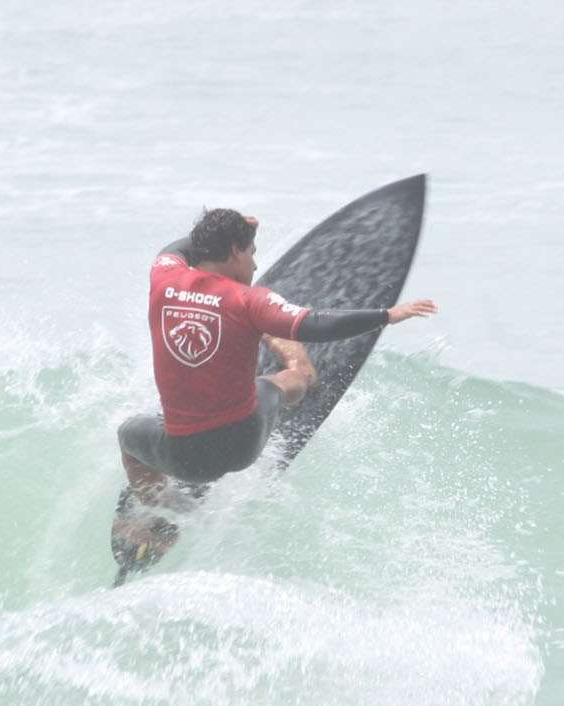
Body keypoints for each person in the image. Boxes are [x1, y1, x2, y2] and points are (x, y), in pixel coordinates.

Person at [112, 208, 436, 579]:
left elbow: (176, 248)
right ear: (235, 251)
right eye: (251, 252)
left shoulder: (163, 276)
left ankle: (165, 503)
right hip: (243, 441)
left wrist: (216, 237)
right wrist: (385, 315)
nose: (254, 263)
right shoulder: (249, 300)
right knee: (277, 384)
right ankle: (300, 369)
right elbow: (314, 323)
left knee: (127, 435)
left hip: (182, 455)